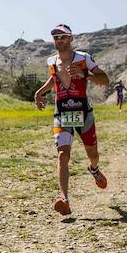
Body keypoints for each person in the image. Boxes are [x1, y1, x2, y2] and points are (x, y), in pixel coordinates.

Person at [34, 24, 110, 216]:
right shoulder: (51, 61)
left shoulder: (83, 58)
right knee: (62, 154)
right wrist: (39, 92)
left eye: (62, 37)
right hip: (62, 113)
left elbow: (105, 79)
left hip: (83, 111)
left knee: (92, 152)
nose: (59, 40)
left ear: (71, 39)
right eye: (56, 37)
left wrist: (86, 75)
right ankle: (64, 199)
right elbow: (54, 79)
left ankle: (94, 169)